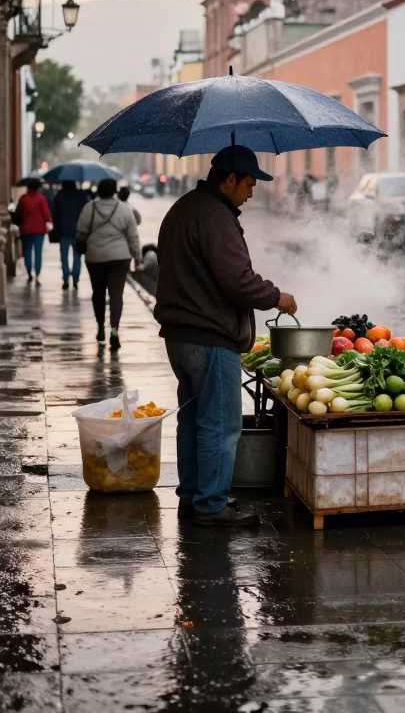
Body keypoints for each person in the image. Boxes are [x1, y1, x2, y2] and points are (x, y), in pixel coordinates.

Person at [155, 145, 297, 529]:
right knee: (219, 423)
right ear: (230, 179)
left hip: (181, 337)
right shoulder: (214, 216)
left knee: (194, 419)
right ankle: (211, 505)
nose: (251, 193)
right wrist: (276, 296)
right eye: (249, 183)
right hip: (210, 336)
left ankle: (193, 496)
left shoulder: (185, 207)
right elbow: (236, 279)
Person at [76, 178, 141, 350]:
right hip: (120, 258)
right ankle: (114, 330)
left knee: (98, 292)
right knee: (116, 293)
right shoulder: (124, 208)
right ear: (114, 191)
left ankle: (100, 327)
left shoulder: (89, 208)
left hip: (95, 257)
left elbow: (80, 232)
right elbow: (133, 235)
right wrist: (137, 256)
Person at [51, 180, 89, 290]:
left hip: (63, 231)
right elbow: (86, 211)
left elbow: (54, 213)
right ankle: (76, 279)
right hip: (78, 231)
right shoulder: (81, 195)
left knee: (64, 257)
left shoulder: (59, 195)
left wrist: (56, 226)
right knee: (77, 257)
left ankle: (66, 278)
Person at [13, 178, 52, 284]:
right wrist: (48, 221)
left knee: (27, 251)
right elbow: (46, 214)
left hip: (26, 229)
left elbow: (18, 213)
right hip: (39, 230)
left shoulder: (23, 198)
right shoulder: (41, 198)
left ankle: (29, 272)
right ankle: (37, 273)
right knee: (38, 253)